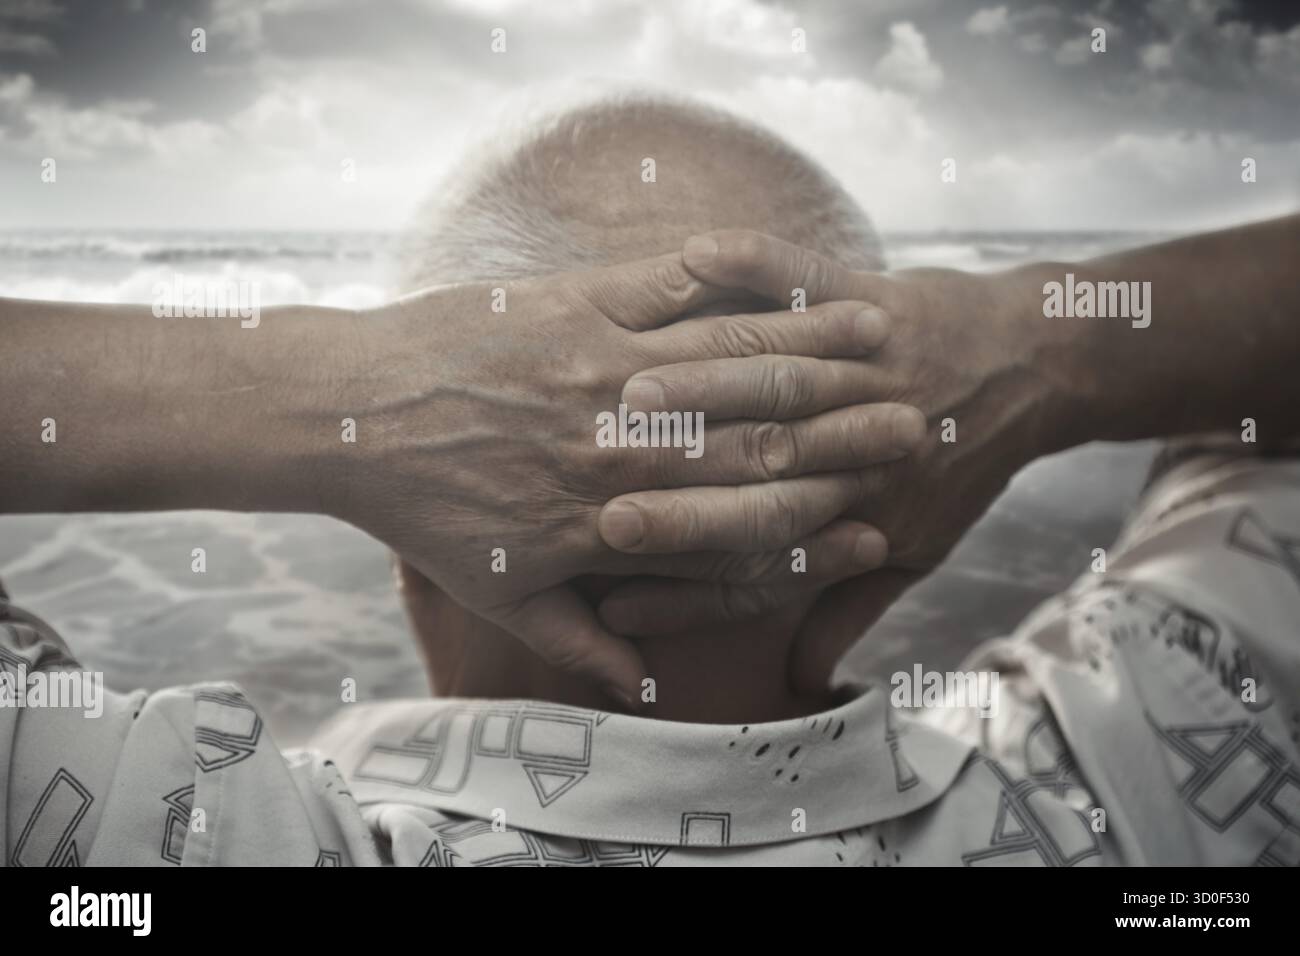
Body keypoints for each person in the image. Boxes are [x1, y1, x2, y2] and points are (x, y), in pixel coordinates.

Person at [2, 94, 1298, 865]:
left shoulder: (157, 834)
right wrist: (1028, 350)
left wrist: (354, 400)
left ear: (412, 548)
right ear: (896, 526)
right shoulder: (1160, 761)